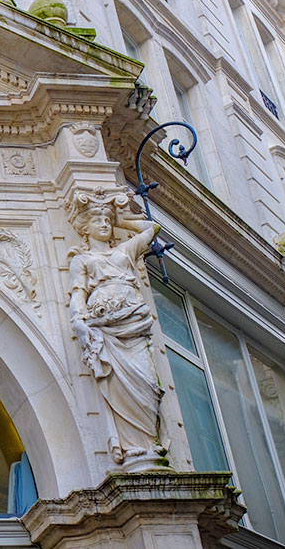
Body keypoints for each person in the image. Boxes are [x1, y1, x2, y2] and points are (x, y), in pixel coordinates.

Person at [67, 189, 166, 468]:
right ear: (85, 228)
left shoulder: (125, 250)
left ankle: (148, 443)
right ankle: (133, 447)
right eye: (97, 221)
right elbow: (77, 295)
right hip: (104, 326)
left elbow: (151, 228)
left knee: (147, 383)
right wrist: (79, 323)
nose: (103, 224)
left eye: (106, 221)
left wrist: (118, 215)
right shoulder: (82, 260)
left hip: (133, 320)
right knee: (118, 384)